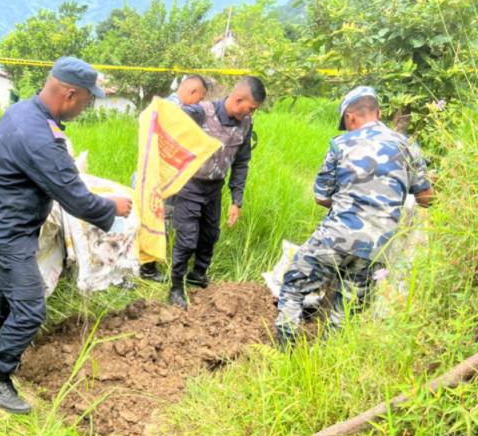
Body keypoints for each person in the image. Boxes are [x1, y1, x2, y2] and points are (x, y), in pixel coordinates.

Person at [0, 57, 132, 415]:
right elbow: (75, 198)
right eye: (88, 100)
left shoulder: (22, 112)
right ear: (71, 94)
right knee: (30, 310)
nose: (87, 106)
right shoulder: (40, 136)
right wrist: (113, 208)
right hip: (8, 232)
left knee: (5, 281)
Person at [274, 86, 434, 349]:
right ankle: (328, 363)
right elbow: (427, 199)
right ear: (379, 113)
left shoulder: (341, 144)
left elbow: (321, 196)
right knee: (346, 313)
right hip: (378, 246)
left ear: (350, 117)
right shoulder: (409, 147)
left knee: (294, 284)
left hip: (336, 235)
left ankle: (284, 354)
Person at [169, 76, 266, 309]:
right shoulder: (201, 112)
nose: (251, 113)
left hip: (214, 188)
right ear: (239, 98)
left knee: (210, 234)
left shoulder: (246, 124)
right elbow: (168, 117)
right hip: (189, 186)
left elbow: (241, 163)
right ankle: (176, 287)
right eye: (251, 108)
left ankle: (198, 274)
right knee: (187, 239)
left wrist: (237, 200)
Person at [139, 74, 208, 284]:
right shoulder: (173, 111)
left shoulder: (160, 105)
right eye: (200, 98)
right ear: (193, 91)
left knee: (151, 219)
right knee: (157, 220)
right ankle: (147, 268)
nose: (198, 103)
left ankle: (145, 265)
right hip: (159, 179)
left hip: (148, 176)